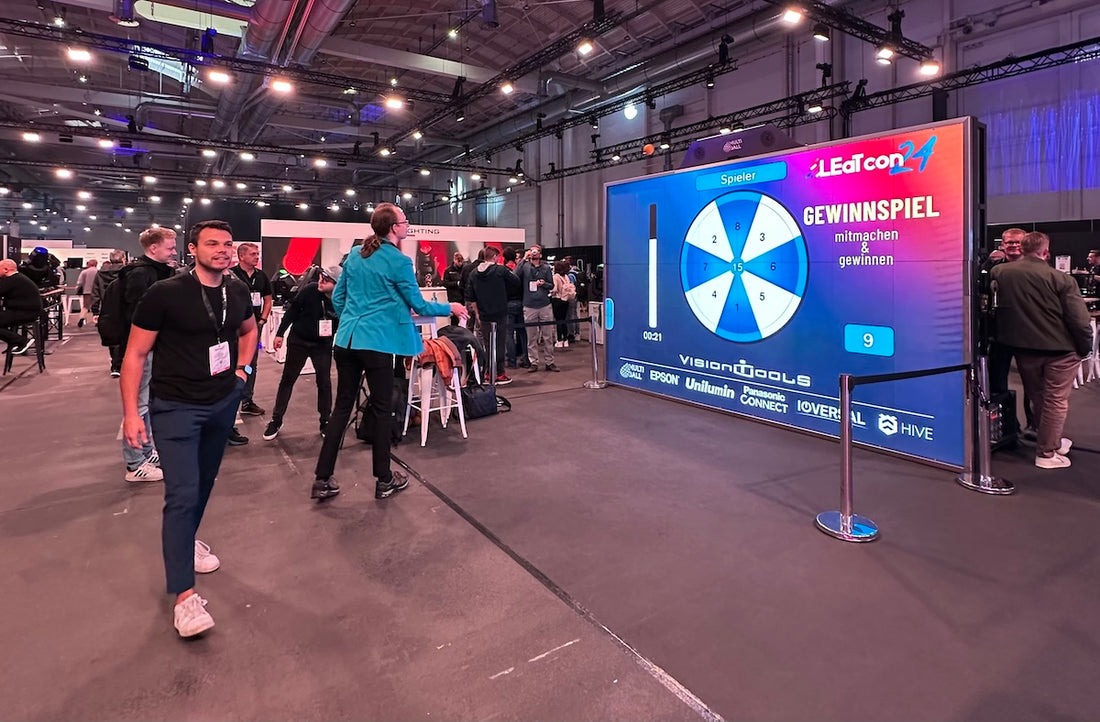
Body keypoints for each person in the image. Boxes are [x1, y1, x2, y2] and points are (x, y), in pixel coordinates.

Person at [121, 219, 257, 638]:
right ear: (192, 249)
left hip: (221, 403)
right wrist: (130, 413)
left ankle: (187, 542)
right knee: (181, 494)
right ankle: (184, 597)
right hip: (175, 407)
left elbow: (249, 330)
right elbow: (135, 355)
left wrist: (241, 372)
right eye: (212, 243)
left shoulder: (236, 290)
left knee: (202, 486)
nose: (222, 250)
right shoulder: (164, 294)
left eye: (228, 243)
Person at [311, 203, 465, 502]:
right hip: (377, 343)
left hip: (346, 342)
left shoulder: (355, 255)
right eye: (405, 221)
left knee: (341, 408)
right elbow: (419, 306)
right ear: (394, 227)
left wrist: (355, 320)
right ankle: (383, 479)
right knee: (383, 410)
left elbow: (339, 298)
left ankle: (322, 478)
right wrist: (450, 307)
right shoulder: (399, 261)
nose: (407, 225)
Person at [991, 231, 1092, 469]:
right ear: (1045, 252)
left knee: (1038, 396)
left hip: (1024, 349)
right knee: (1055, 401)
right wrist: (1085, 348)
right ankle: (1046, 453)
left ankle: (1048, 439)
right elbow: (1079, 320)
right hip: (1060, 350)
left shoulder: (999, 273)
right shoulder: (1061, 278)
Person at [113, 227, 179, 482]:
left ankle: (146, 452)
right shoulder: (140, 274)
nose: (174, 251)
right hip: (143, 351)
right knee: (138, 407)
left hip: (154, 349)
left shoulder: (155, 272)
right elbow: (139, 317)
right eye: (170, 247)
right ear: (153, 248)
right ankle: (134, 463)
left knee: (148, 404)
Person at [263, 265, 341, 440]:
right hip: (299, 341)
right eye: (321, 277)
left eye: (327, 280)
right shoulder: (310, 290)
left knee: (324, 382)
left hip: (322, 345)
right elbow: (291, 312)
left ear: (337, 284)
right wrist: (280, 334)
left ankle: (325, 421)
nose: (321, 281)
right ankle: (276, 420)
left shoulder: (342, 299)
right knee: (287, 380)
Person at [983, 228, 1027, 433]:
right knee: (997, 382)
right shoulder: (992, 269)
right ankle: (1008, 428)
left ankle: (1036, 428)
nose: (1012, 246)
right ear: (1002, 245)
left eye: (1017, 242)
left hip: (1029, 334)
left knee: (1034, 387)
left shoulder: (1036, 267)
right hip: (1000, 334)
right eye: (1008, 242)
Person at [229, 242, 272, 417]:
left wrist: (261, 320)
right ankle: (229, 400)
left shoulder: (261, 276)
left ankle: (247, 400)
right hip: (233, 327)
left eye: (257, 253)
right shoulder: (231, 275)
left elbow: (268, 300)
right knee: (230, 362)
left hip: (253, 327)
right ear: (241, 256)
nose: (257, 256)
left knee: (250, 364)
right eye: (253, 254)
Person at [467, 245, 520, 384]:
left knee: (487, 345)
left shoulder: (473, 273)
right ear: (495, 257)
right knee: (500, 343)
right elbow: (516, 282)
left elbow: (471, 297)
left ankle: (488, 373)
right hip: (500, 312)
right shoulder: (500, 270)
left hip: (483, 314)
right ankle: (500, 373)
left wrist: (477, 314)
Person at [516, 245, 558, 372]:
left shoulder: (546, 268)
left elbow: (551, 285)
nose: (534, 253)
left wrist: (543, 284)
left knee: (548, 336)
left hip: (544, 305)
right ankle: (533, 362)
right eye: (532, 251)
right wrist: (524, 259)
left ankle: (549, 361)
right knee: (531, 337)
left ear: (540, 254)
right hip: (529, 306)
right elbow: (514, 275)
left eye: (536, 251)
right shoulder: (524, 266)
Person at [92, 250, 128, 376]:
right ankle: (120, 364)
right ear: (123, 259)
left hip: (106, 307)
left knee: (111, 335)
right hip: (124, 306)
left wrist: (95, 311)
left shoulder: (100, 273)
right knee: (124, 334)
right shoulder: (127, 273)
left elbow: (95, 293)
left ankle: (115, 365)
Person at [0, 259, 43, 355]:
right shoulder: (18, 278)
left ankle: (21, 341)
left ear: (6, 269)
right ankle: (14, 342)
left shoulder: (11, 280)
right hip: (27, 311)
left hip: (25, 313)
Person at [550, 259, 576, 349]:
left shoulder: (555, 277)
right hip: (566, 300)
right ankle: (565, 340)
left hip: (557, 300)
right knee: (564, 320)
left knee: (558, 321)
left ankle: (559, 340)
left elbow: (555, 289)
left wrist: (550, 293)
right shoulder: (566, 276)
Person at [74, 259, 98, 328]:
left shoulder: (84, 272)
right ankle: (96, 321)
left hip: (87, 292)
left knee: (85, 307)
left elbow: (80, 282)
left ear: (89, 264)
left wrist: (77, 290)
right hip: (96, 292)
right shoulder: (98, 272)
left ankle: (82, 318)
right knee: (96, 307)